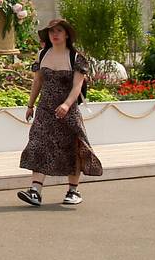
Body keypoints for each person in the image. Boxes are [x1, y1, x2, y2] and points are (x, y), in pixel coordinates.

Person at [17, 18, 103, 206]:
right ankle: (35, 191)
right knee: (38, 144)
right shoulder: (43, 54)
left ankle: (73, 191)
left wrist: (66, 105)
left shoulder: (76, 57)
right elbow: (38, 82)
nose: (54, 34)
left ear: (66, 34)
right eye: (51, 31)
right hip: (45, 109)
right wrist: (30, 105)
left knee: (72, 148)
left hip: (68, 111)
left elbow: (77, 86)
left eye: (58, 31)